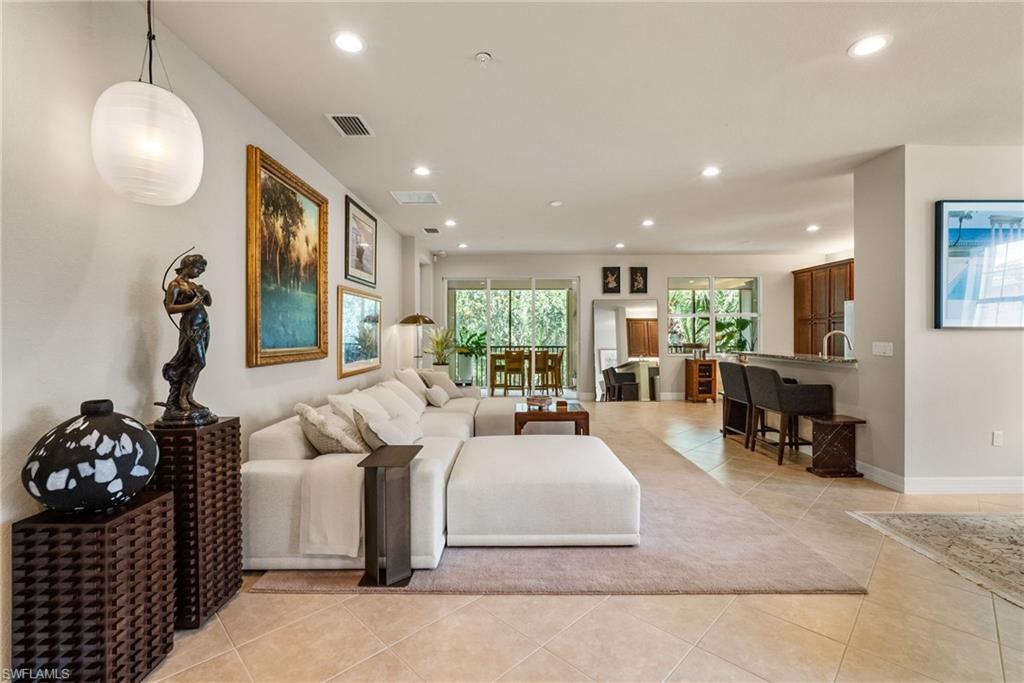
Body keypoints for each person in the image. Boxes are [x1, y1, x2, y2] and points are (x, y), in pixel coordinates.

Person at [158, 253, 217, 426]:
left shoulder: (193, 285)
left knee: (197, 361)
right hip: (190, 325)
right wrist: (191, 305)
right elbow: (170, 308)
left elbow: (208, 303)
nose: (199, 272)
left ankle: (190, 396)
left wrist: (206, 293)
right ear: (188, 266)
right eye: (198, 269)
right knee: (198, 361)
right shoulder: (175, 284)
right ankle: (182, 397)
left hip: (203, 324)